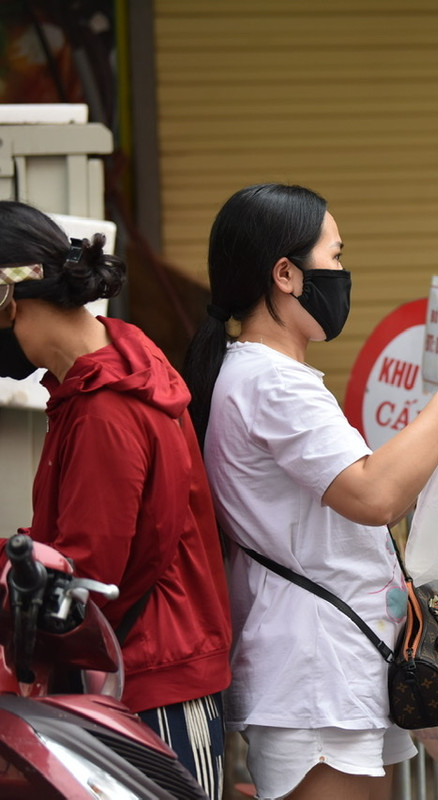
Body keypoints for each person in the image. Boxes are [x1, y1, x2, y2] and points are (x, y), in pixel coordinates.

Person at [183, 183, 438, 800]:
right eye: (337, 256)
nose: (344, 272)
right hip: (315, 670)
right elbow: (373, 494)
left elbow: (375, 493)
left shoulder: (267, 375)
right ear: (287, 274)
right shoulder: (273, 383)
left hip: (340, 658)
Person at [0, 201, 232, 797]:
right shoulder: (108, 370)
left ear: (6, 297)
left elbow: (85, 578)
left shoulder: (106, 408)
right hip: (148, 670)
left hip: (149, 681)